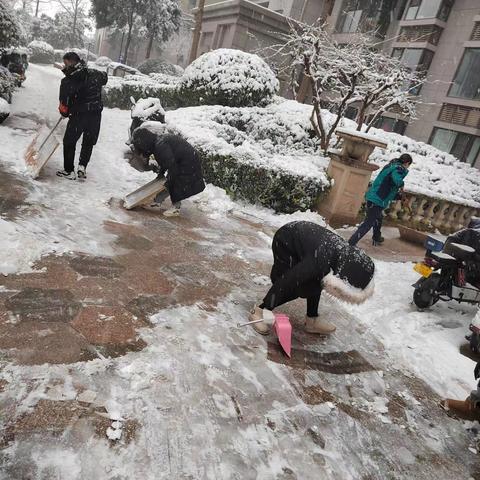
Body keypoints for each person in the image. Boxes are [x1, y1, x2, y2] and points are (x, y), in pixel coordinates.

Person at [250, 221, 375, 336]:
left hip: (310, 243)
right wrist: (268, 308)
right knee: (296, 286)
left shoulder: (340, 258)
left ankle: (312, 320)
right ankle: (258, 311)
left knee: (316, 282)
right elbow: (287, 280)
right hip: (286, 240)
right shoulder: (318, 262)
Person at [131, 123, 206, 217]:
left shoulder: (160, 146)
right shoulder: (158, 143)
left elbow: (172, 167)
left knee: (175, 182)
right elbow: (166, 162)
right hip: (184, 160)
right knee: (169, 180)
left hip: (187, 162)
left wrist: (168, 179)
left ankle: (176, 208)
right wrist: (161, 174)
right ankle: (157, 201)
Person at [56, 52, 108, 181]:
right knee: (88, 142)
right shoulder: (95, 73)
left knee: (69, 142)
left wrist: (64, 113)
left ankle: (69, 171)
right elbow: (104, 78)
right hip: (95, 115)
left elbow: (64, 102)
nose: (64, 66)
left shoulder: (68, 81)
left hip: (79, 115)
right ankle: (82, 167)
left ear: (69, 62)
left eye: (65, 64)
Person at [349, 153, 413, 247]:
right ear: (407, 163)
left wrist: (399, 197)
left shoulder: (391, 167)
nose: (408, 167)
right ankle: (351, 242)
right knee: (368, 223)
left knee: (378, 218)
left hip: (374, 197)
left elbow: (387, 189)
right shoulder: (397, 169)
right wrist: (401, 183)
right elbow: (397, 180)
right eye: (408, 165)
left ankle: (376, 237)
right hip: (377, 200)